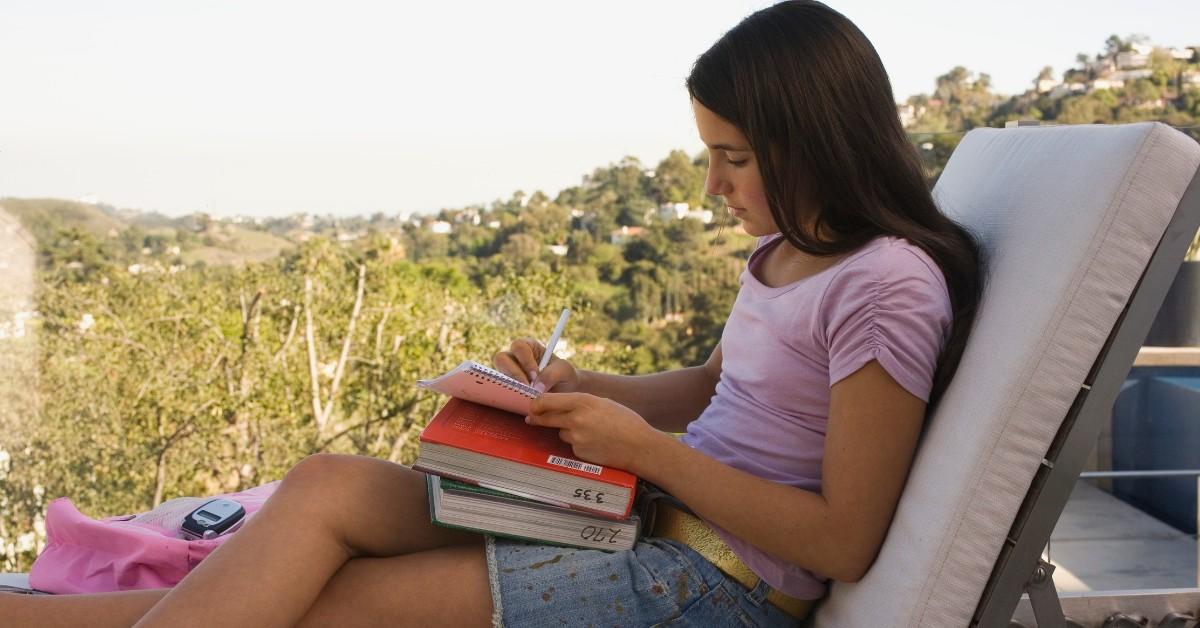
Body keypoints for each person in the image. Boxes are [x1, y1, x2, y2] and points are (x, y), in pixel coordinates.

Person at [2, 1, 982, 626]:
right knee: (328, 483)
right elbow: (710, 387)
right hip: (643, 515)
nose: (713, 182)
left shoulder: (886, 285)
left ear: (810, 139)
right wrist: (574, 392)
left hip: (710, 585)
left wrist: (641, 450)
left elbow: (843, 539)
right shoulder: (785, 253)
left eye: (733, 157)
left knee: (330, 603)